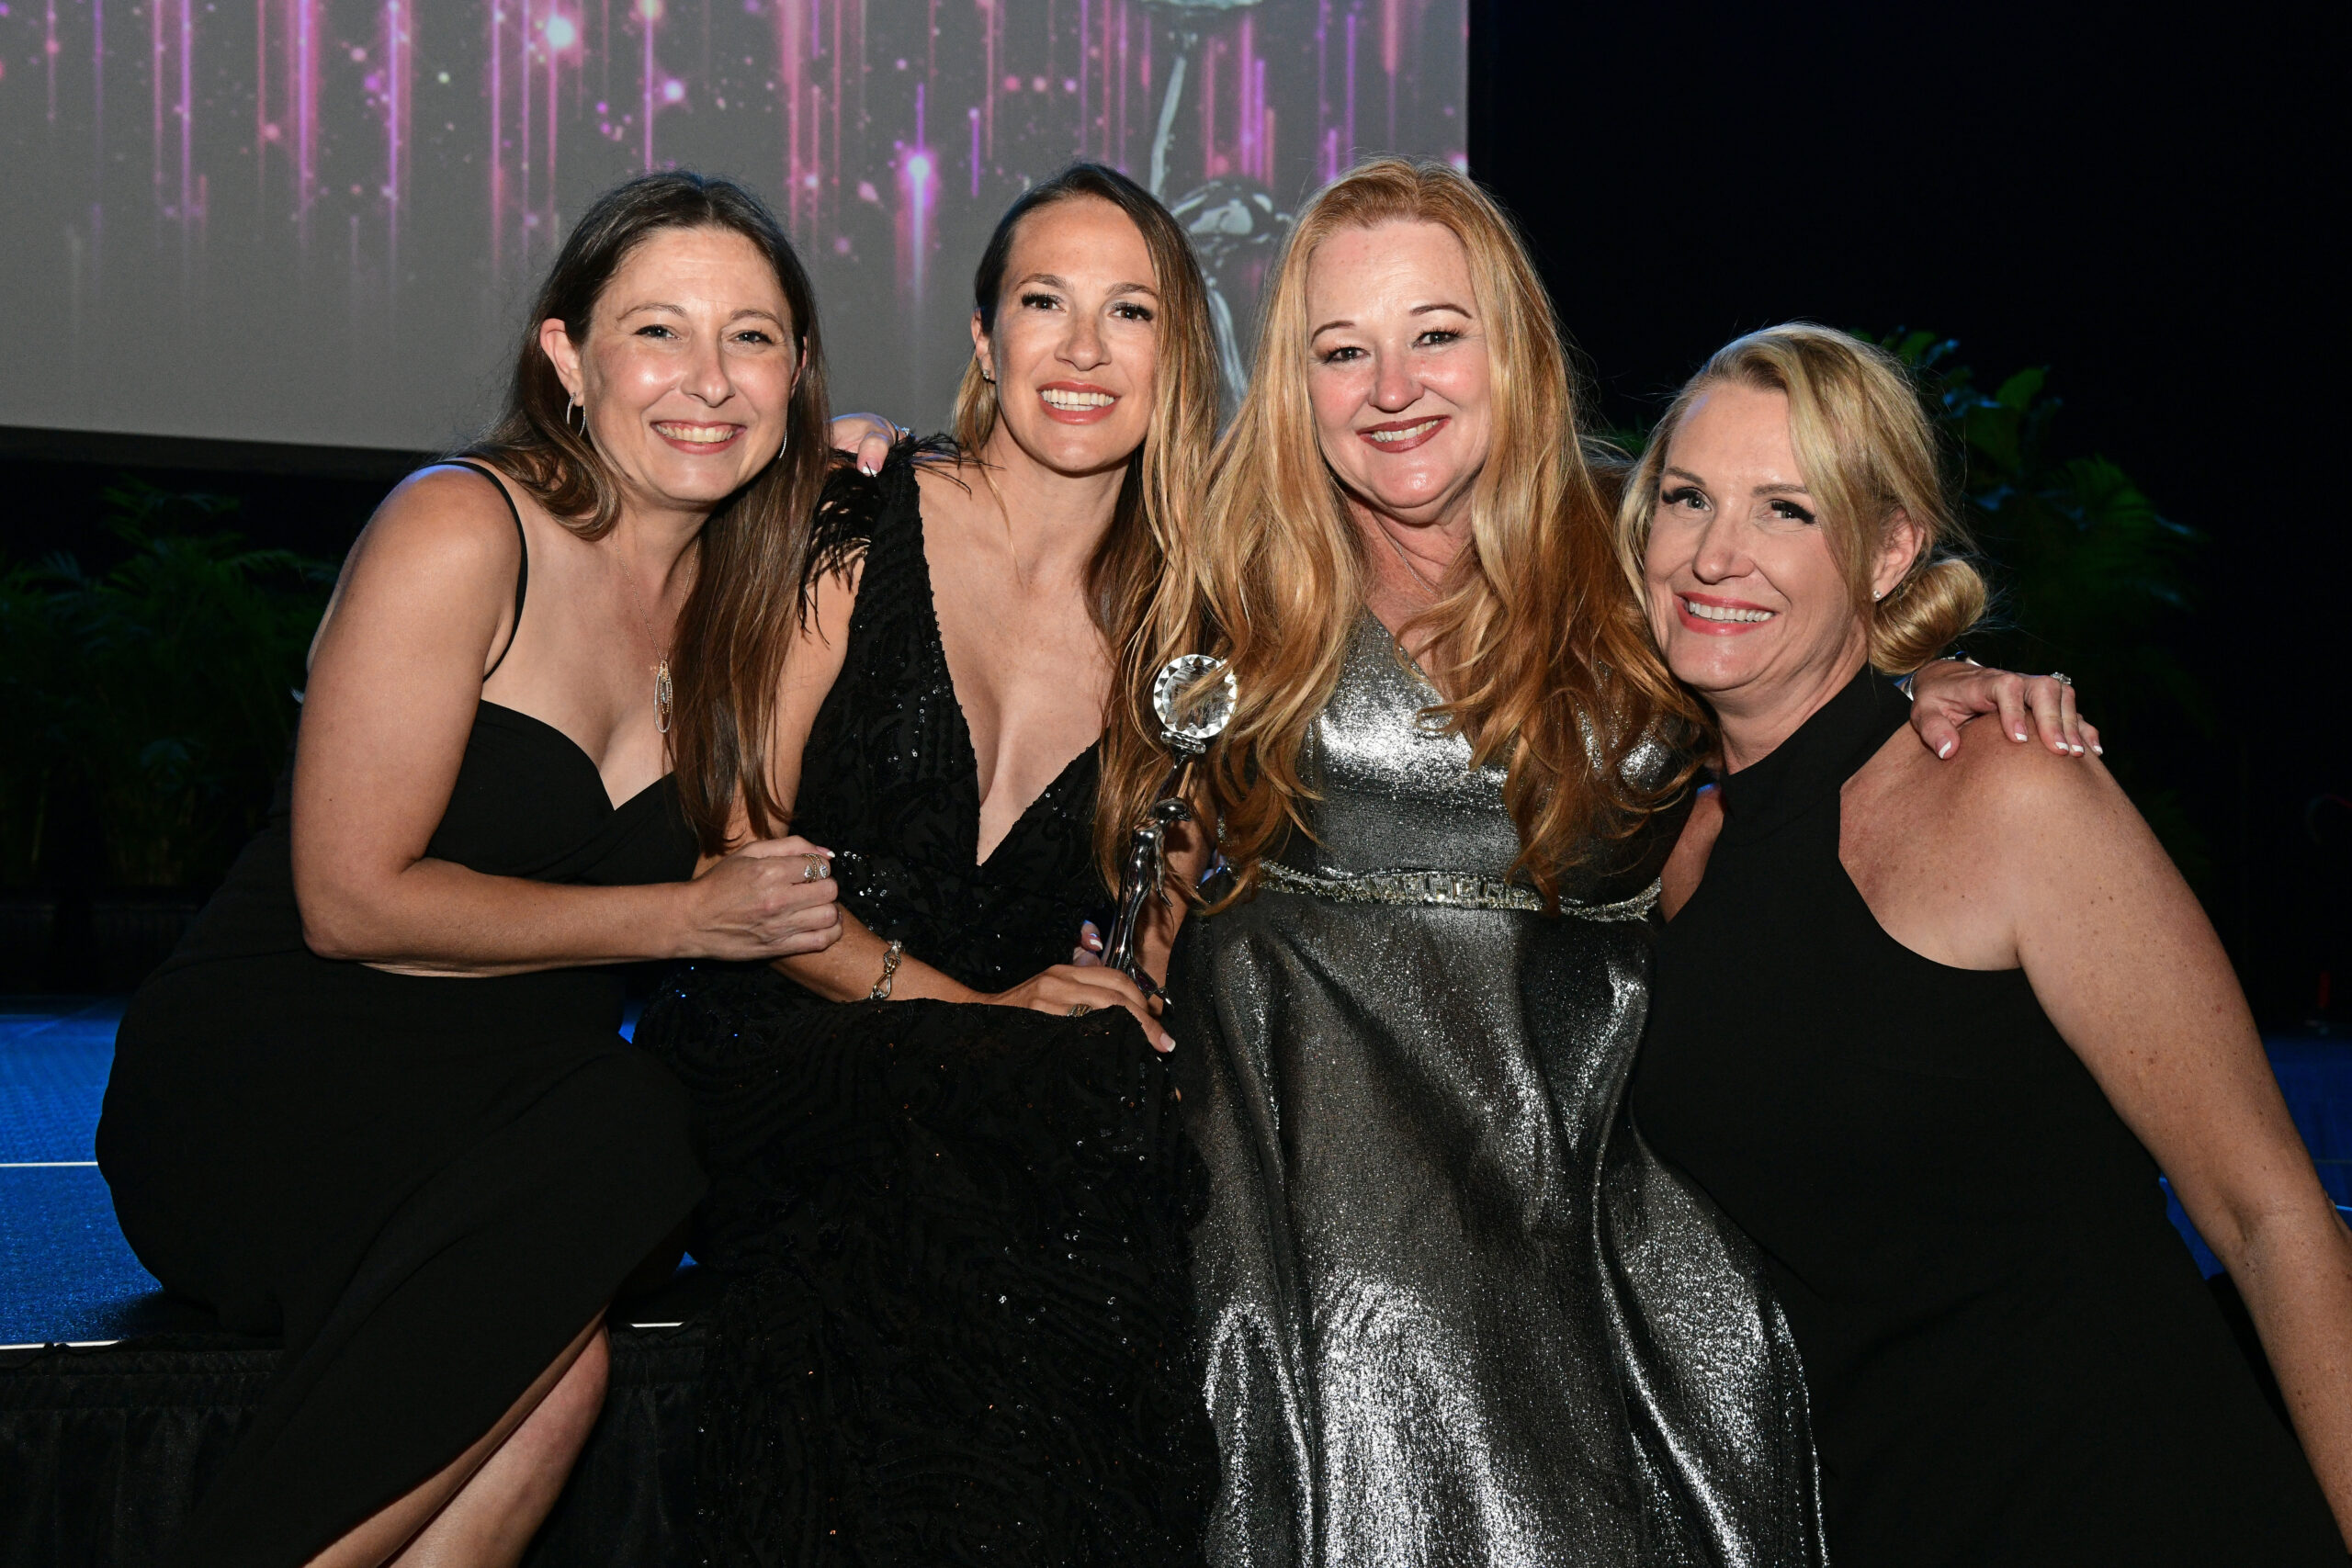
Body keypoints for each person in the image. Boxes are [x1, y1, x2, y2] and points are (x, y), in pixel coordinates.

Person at [1116, 158, 2093, 1568]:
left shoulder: (1647, 537)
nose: (1392, 388)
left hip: (1589, 1158)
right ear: (1294, 381)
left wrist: (1929, 684)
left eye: (1436, 333)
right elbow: (1146, 798)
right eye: (1342, 351)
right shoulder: (1237, 555)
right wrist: (857, 460)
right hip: (1298, 1159)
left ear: (1511, 343)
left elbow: (1807, 647)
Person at [96, 172, 848, 1568]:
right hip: (268, 1086)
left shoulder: (756, 598)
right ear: (567, 356)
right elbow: (349, 904)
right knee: (640, 1122)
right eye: (658, 331)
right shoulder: (462, 527)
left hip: (514, 1127)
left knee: (557, 1390)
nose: (708, 379)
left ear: (797, 374)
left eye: (751, 338)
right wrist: (685, 917)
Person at [1623, 323, 2352, 1564]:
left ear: (1890, 550)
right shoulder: (1672, 862)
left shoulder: (2009, 791)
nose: (1714, 553)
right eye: (1687, 498)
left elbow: (2268, 1214)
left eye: (1788, 509)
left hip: (2145, 1513)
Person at [631, 163, 1223, 1565]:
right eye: (1045, 303)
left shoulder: (1196, 626)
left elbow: (1155, 919)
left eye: (1130, 311)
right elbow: (740, 859)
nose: (1084, 350)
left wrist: (1112, 1000)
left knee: (1101, 1118)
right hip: (796, 1021)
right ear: (984, 340)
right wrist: (977, 1014)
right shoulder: (854, 522)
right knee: (986, 1148)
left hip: (1009, 1079)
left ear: (1178, 357)